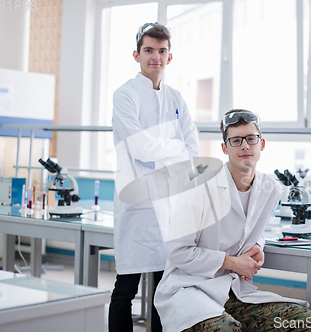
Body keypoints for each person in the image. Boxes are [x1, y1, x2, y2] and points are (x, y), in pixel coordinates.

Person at [154, 110, 311, 331]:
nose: (245, 146)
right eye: (236, 140)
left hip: (233, 289)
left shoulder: (270, 188)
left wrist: (257, 246)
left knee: (306, 322)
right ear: (225, 148)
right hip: (190, 289)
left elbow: (252, 230)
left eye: (251, 139)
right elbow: (178, 251)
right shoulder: (200, 187)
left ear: (261, 144)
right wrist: (232, 262)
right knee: (227, 329)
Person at [110, 22, 200, 332]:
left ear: (169, 57)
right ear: (136, 54)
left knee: (166, 290)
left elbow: (192, 153)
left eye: (162, 51)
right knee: (126, 289)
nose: (155, 57)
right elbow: (139, 147)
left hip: (170, 206)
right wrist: (172, 150)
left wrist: (165, 151)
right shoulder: (124, 95)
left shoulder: (177, 100)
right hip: (137, 204)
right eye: (149, 50)